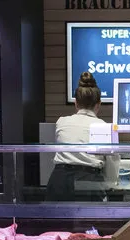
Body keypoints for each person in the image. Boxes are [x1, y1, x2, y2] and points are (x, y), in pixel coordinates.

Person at [46, 71, 119, 201]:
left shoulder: (61, 121)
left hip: (59, 181)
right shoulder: (104, 126)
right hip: (89, 183)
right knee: (89, 221)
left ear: (76, 103)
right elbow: (112, 168)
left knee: (56, 221)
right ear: (99, 104)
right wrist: (109, 185)